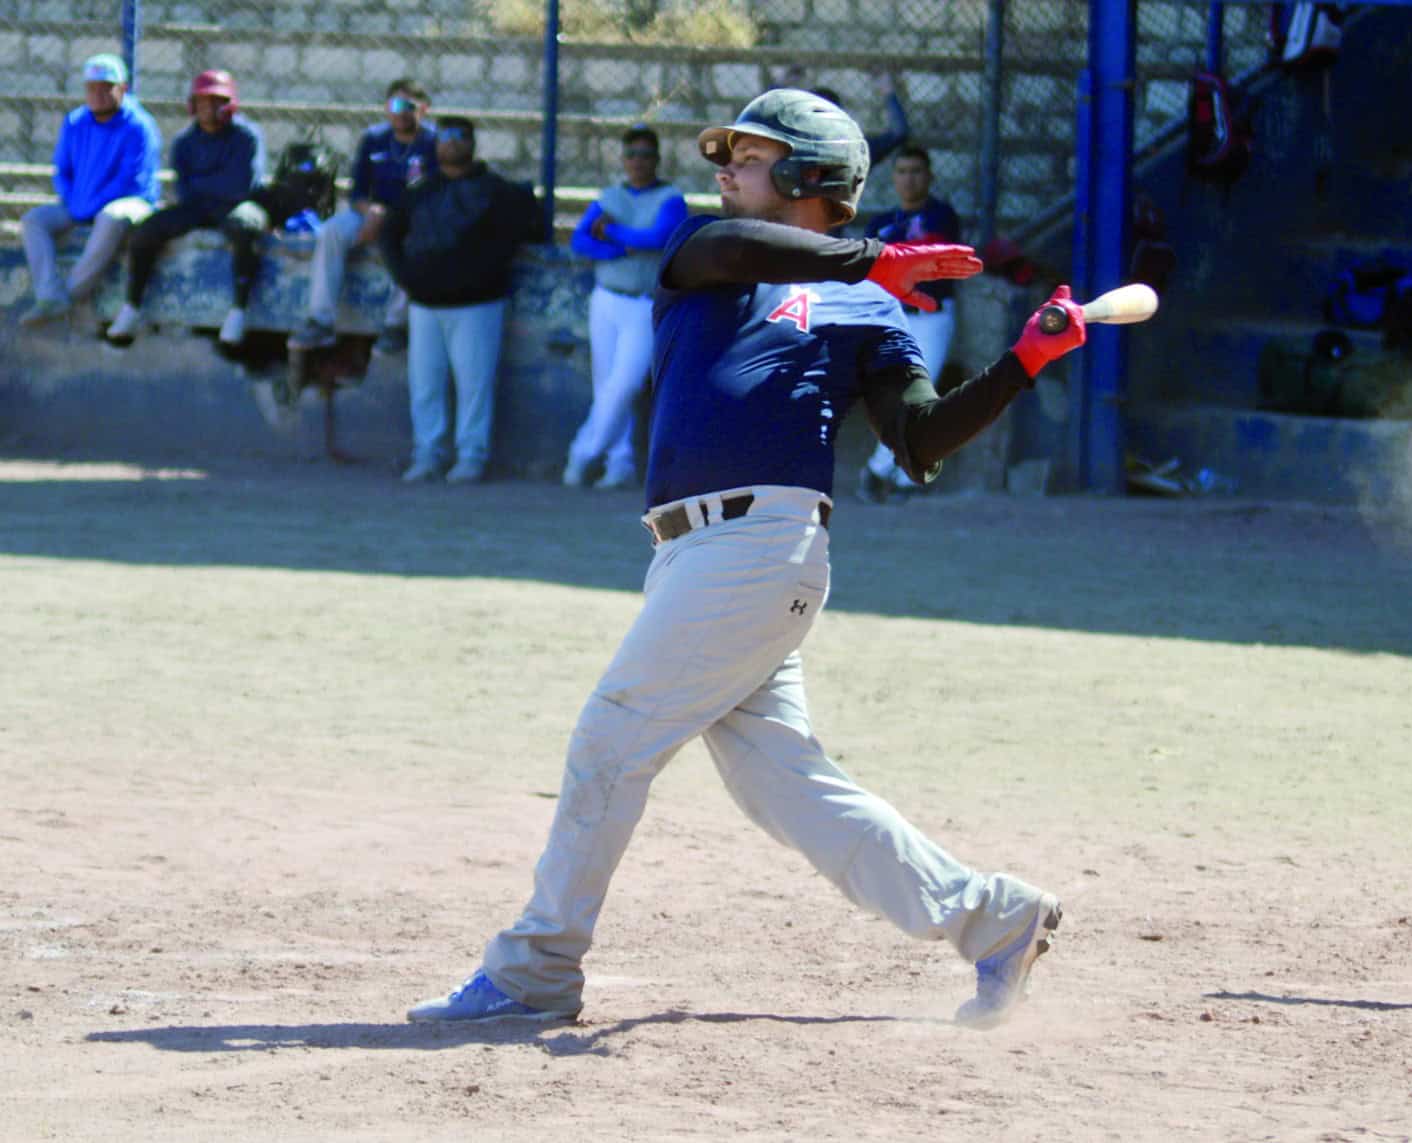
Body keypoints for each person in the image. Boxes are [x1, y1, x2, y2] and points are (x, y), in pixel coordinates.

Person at [406, 90, 1086, 1029]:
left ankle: (536, 969)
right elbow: (744, 249)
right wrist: (876, 258)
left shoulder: (865, 306)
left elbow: (921, 440)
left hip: (761, 548)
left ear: (811, 177)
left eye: (753, 157)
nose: (724, 170)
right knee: (790, 789)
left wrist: (1022, 363)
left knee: (612, 738)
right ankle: (994, 918)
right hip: (700, 556)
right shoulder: (706, 252)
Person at [378, 116, 544, 485]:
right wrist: (407, 278)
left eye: (460, 137)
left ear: (472, 143)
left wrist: (478, 276)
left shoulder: (497, 191)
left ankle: (471, 456)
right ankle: (428, 454)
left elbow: (518, 234)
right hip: (425, 305)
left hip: (478, 305)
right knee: (425, 385)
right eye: (445, 137)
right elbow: (389, 235)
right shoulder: (420, 190)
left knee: (474, 386)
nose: (452, 144)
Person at [104, 71, 269, 348]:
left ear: (230, 104)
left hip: (233, 207)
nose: (209, 108)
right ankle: (132, 306)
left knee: (245, 225)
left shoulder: (247, 136)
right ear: (192, 105)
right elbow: (184, 190)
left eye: (217, 101)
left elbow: (243, 186)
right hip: (197, 208)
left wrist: (204, 184)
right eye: (202, 102)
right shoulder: (185, 141)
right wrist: (216, 183)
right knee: (147, 231)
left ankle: (238, 310)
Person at [564, 124, 688, 490]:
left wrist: (614, 232)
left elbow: (659, 237)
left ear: (657, 159)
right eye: (631, 154)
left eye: (646, 155)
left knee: (626, 384)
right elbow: (580, 240)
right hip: (607, 299)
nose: (638, 161)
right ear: (623, 159)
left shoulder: (670, 197)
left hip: (645, 303)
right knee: (606, 385)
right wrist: (620, 248)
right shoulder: (610, 196)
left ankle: (582, 453)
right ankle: (618, 462)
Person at [288, 78, 437, 356]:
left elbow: (433, 195)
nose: (401, 112)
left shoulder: (432, 142)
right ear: (386, 107)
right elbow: (357, 192)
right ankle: (320, 321)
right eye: (395, 104)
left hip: (412, 218)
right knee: (331, 231)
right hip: (371, 213)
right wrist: (371, 212)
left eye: (409, 105)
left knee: (414, 242)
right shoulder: (374, 139)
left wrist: (387, 218)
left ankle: (395, 326)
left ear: (424, 109)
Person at [18, 54, 161, 328]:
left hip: (130, 202)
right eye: (92, 87)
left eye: (107, 87)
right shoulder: (75, 122)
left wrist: (86, 206)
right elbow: (61, 170)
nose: (99, 93)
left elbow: (128, 180)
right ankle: (49, 296)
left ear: (123, 88)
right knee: (33, 220)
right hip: (79, 202)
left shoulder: (139, 126)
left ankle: (69, 296)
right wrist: (73, 201)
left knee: (110, 217)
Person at [856, 145, 963, 503]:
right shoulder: (879, 222)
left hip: (932, 316)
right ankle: (899, 476)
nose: (909, 177)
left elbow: (930, 255)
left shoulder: (942, 215)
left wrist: (895, 253)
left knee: (916, 394)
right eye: (902, 171)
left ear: (930, 176)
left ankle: (880, 471)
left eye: (916, 170)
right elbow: (873, 268)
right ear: (894, 178)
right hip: (892, 317)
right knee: (893, 398)